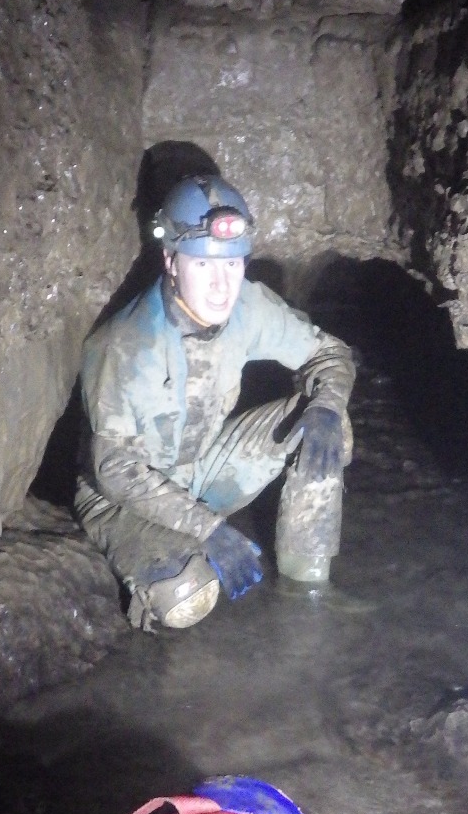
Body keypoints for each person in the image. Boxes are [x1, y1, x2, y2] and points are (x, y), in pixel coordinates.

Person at [75, 173, 356, 630]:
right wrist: (208, 529)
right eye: (204, 264)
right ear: (171, 261)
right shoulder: (126, 345)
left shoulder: (247, 307)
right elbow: (115, 470)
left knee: (327, 426)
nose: (221, 285)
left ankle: (306, 589)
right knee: (187, 595)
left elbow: (330, 353)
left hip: (201, 468)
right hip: (123, 500)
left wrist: (326, 404)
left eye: (232, 263)